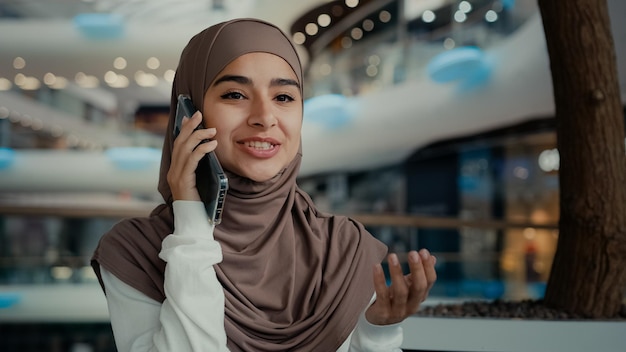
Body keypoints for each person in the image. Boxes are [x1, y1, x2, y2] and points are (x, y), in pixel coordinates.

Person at [91, 18, 437, 352]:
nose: (264, 117)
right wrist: (191, 222)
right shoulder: (135, 252)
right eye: (235, 95)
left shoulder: (346, 249)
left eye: (284, 98)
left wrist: (376, 334)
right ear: (189, 110)